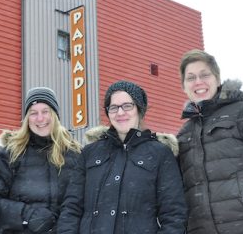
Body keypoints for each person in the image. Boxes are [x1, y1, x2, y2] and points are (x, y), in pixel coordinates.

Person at [80, 80, 187, 233]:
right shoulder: (89, 153)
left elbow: (174, 214)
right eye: (114, 107)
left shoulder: (160, 154)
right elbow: (72, 208)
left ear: (139, 110)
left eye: (127, 106)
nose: (120, 113)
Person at [0, 87, 84, 234]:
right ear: (27, 119)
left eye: (45, 111)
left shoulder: (76, 156)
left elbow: (84, 204)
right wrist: (26, 215)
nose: (40, 118)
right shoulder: (10, 155)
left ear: (55, 115)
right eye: (33, 113)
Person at [177, 49, 243, 234]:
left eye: (204, 75)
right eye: (191, 78)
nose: (198, 82)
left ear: (217, 78)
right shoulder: (183, 134)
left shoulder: (240, 112)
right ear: (184, 86)